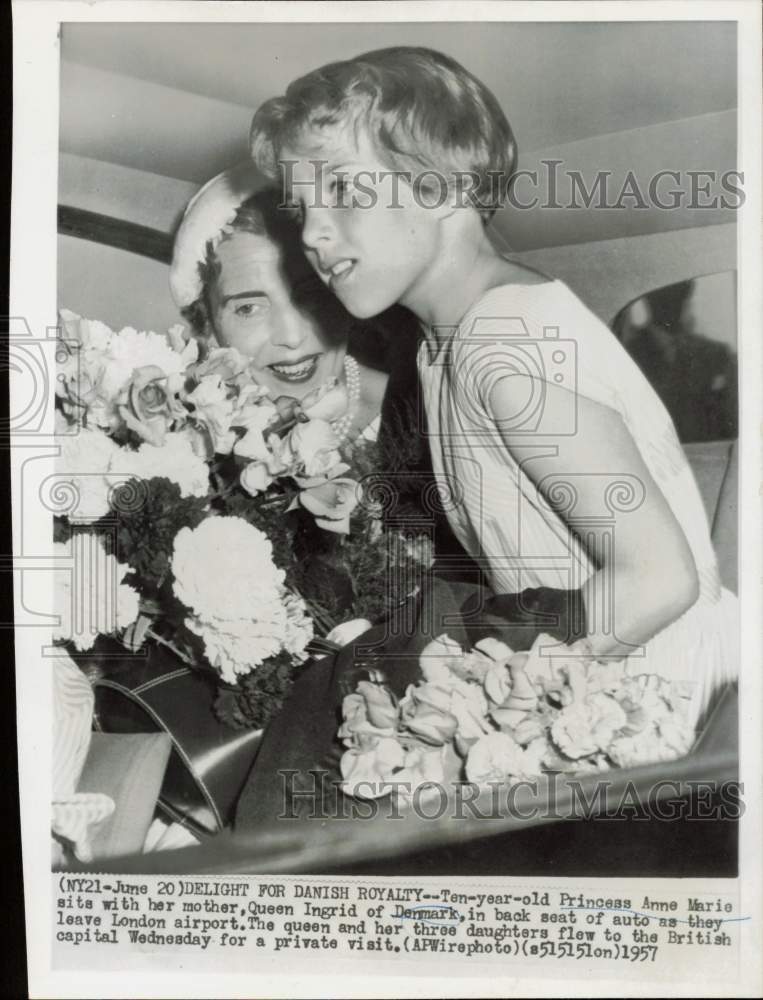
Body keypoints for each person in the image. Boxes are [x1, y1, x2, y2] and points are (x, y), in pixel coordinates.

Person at [246, 45, 738, 733]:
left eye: (346, 192)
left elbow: (660, 581)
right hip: (592, 681)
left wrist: (484, 699)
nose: (316, 234)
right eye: (300, 211)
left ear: (444, 184)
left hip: (669, 699)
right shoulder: (440, 351)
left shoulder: (502, 341)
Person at [169, 162, 389, 448]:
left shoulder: (423, 415)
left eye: (312, 295)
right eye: (248, 308)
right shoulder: (187, 445)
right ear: (207, 327)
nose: (292, 336)